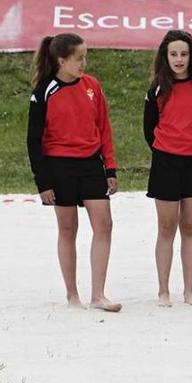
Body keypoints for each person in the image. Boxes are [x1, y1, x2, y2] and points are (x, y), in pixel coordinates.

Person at [27, 33, 122, 312]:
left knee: (104, 225)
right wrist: (43, 182)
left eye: (85, 57)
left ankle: (98, 295)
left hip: (91, 165)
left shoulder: (92, 85)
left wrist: (110, 167)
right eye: (78, 59)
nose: (84, 63)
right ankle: (72, 295)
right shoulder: (43, 92)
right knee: (68, 229)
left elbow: (104, 127)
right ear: (61, 60)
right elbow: (34, 142)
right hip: (59, 167)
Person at [143, 30, 192, 307]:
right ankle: (163, 290)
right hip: (166, 163)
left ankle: (189, 290)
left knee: (190, 226)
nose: (179, 59)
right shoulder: (157, 87)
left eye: (184, 54)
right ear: (165, 56)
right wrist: (167, 148)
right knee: (166, 226)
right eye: (173, 54)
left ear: (191, 56)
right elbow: (149, 129)